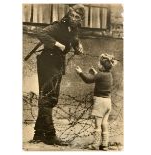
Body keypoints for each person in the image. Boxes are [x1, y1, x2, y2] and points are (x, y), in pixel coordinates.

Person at [30, 4, 85, 145]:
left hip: (57, 63)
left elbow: (74, 40)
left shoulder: (74, 29)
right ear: (68, 14)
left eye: (77, 17)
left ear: (81, 19)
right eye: (71, 15)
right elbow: (41, 33)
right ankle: (50, 135)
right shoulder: (59, 26)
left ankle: (38, 134)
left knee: (48, 97)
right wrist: (56, 44)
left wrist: (78, 47)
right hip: (47, 62)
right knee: (49, 97)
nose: (73, 18)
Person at [75, 53, 117, 150]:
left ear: (101, 66)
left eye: (99, 63)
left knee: (97, 124)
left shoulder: (100, 75)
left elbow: (88, 80)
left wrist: (80, 72)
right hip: (108, 102)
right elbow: (100, 78)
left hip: (100, 102)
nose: (97, 64)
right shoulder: (109, 75)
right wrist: (95, 73)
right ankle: (105, 144)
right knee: (104, 123)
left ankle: (95, 144)